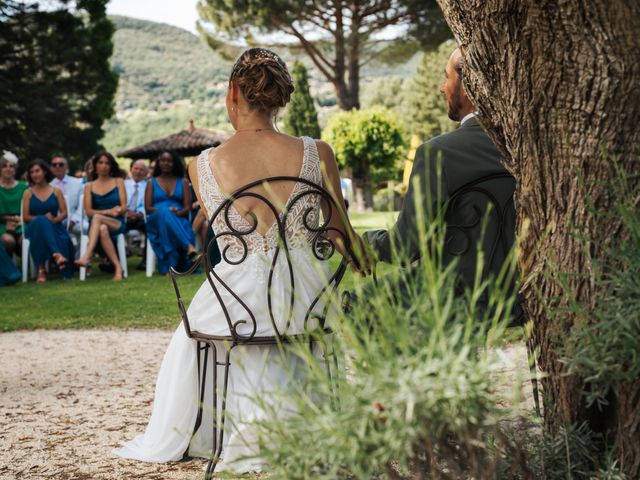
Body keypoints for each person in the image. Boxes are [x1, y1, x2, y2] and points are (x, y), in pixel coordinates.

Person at [114, 47, 368, 473]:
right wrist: (364, 259)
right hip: (303, 300)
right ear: (281, 96)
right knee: (304, 320)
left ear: (233, 92)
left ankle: (217, 427)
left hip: (238, 302)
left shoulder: (201, 165)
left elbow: (222, 235)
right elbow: (340, 236)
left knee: (195, 333)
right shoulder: (317, 151)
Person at [363, 48, 518, 315]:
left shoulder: (437, 153)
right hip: (524, 294)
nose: (441, 88)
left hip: (459, 295)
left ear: (469, 87)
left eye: (446, 78)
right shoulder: (528, 146)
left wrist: (365, 242)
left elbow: (405, 248)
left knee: (358, 303)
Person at [74, 151, 127, 281]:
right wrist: (109, 211)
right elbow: (88, 212)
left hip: (116, 222)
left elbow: (124, 206)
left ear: (111, 166)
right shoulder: (88, 186)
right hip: (97, 225)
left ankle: (88, 255)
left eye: (107, 163)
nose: (104, 166)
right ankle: (118, 268)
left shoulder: (118, 181)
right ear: (95, 165)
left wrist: (117, 211)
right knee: (102, 227)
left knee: (98, 218)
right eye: (101, 162)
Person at [144, 150, 196, 275]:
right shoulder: (151, 182)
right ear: (158, 163)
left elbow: (187, 208)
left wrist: (177, 212)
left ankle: (170, 266)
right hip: (156, 218)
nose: (166, 163)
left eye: (169, 161)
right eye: (163, 160)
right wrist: (166, 210)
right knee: (164, 213)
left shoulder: (183, 181)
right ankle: (188, 246)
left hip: (178, 217)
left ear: (174, 163)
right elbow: (148, 208)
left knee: (167, 222)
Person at [22, 159, 75, 282]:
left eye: (37, 171)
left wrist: (54, 220)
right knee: (40, 222)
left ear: (45, 172)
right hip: (34, 228)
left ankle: (42, 271)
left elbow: (65, 212)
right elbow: (25, 216)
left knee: (50, 229)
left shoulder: (56, 191)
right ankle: (55, 255)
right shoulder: (28, 193)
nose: (34, 174)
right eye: (32, 172)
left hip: (54, 226)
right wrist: (42, 219)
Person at [0, 151, 28, 256]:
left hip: (21, 223)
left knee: (26, 239)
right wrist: (9, 221)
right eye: (4, 166)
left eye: (11, 166)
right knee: (8, 241)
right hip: (2, 224)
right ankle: (10, 267)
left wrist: (20, 221)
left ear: (15, 169)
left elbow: (29, 209)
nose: (8, 169)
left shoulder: (23, 187)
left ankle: (29, 267)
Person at [49, 155, 83, 241]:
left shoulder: (77, 184)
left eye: (61, 164)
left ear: (66, 166)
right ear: (51, 168)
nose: (57, 167)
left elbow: (82, 206)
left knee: (84, 228)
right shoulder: (48, 186)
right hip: (55, 221)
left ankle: (79, 254)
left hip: (74, 220)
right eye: (54, 165)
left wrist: (73, 220)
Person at [124, 159, 148, 270]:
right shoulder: (123, 184)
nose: (138, 172)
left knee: (151, 228)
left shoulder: (149, 186)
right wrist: (126, 212)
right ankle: (120, 254)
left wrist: (139, 214)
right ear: (131, 170)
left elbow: (148, 203)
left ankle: (146, 260)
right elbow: (119, 201)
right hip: (124, 216)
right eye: (136, 168)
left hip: (141, 218)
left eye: (142, 170)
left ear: (146, 173)